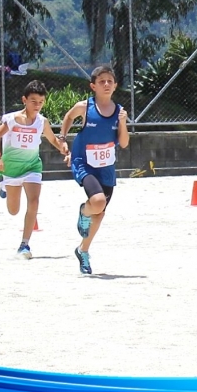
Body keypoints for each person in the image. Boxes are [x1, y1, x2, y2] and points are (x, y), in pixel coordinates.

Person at [58, 65, 130, 274]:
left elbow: (124, 143)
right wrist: (63, 139)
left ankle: (83, 250)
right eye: (102, 81)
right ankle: (83, 211)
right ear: (93, 86)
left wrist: (123, 123)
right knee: (97, 202)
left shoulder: (119, 112)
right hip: (84, 163)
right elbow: (69, 117)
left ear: (115, 85)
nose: (106, 84)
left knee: (99, 213)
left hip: (106, 168)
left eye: (110, 81)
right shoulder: (84, 107)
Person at [0, 80, 68, 259]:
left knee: (34, 202)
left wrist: (63, 148)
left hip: (32, 166)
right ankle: (5, 189)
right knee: (13, 210)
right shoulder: (11, 119)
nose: (38, 105)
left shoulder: (42, 122)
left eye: (41, 102)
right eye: (34, 101)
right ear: (24, 100)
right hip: (10, 169)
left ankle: (24, 244)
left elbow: (53, 139)